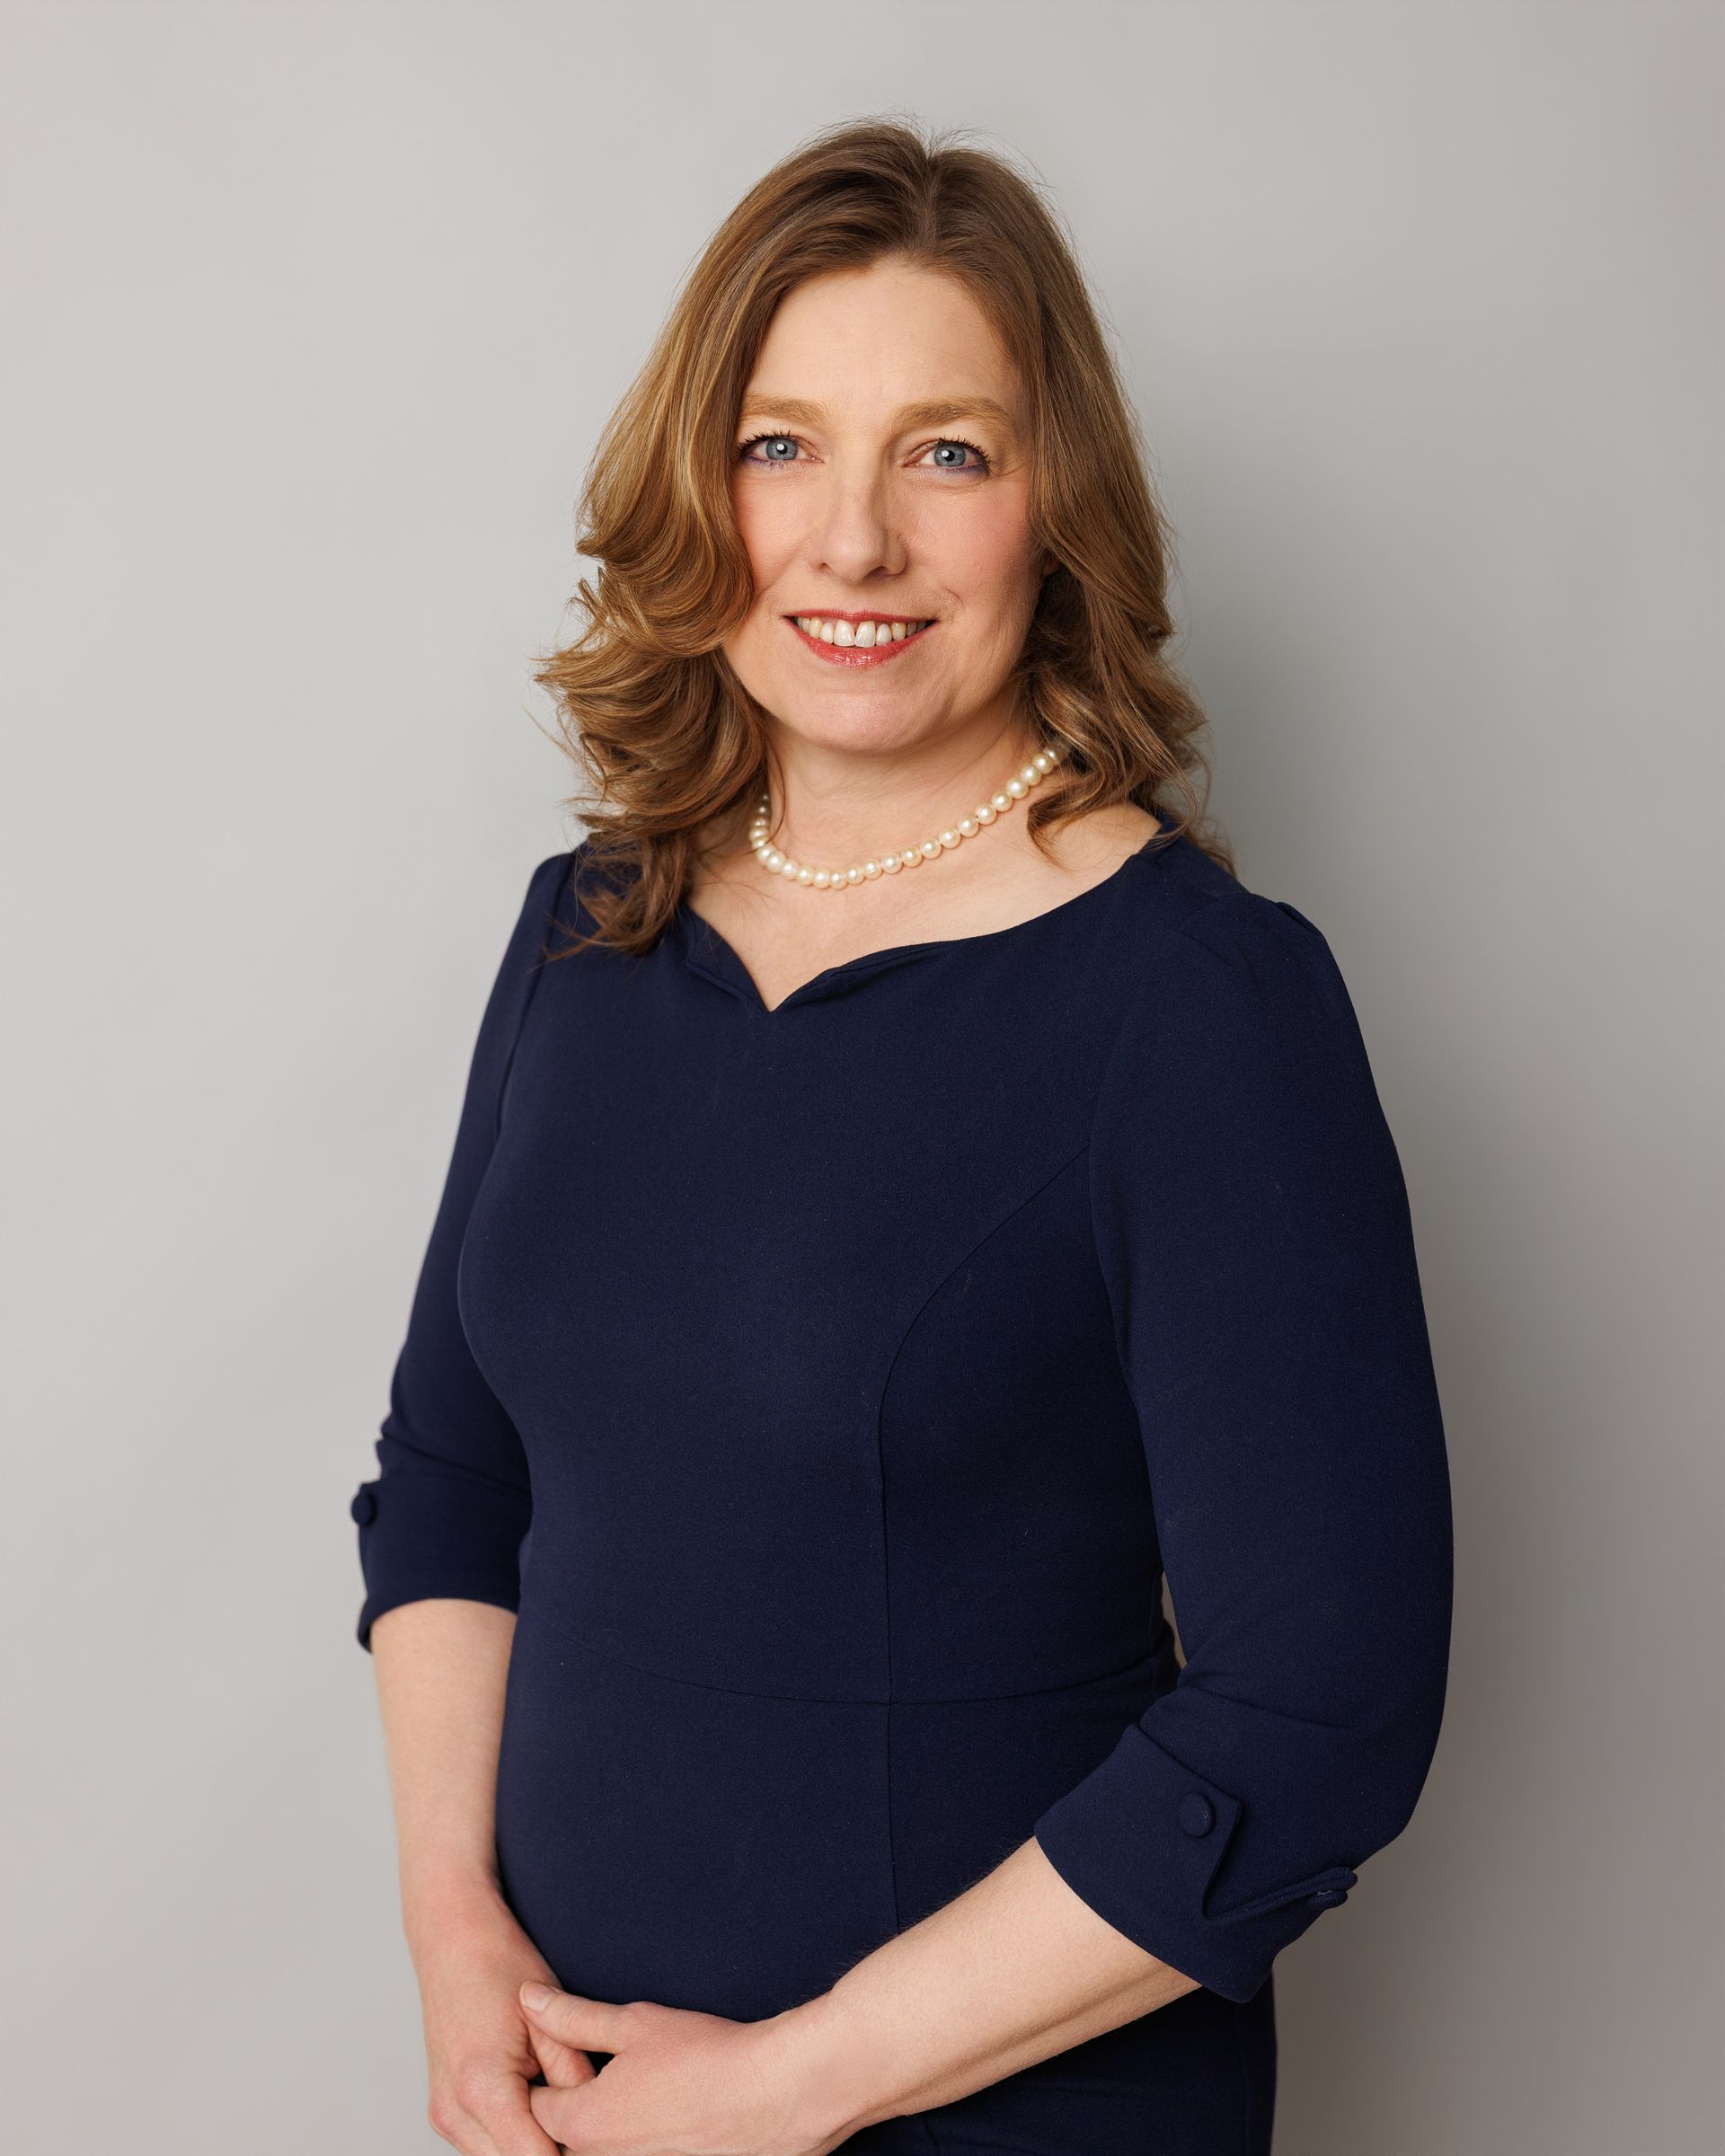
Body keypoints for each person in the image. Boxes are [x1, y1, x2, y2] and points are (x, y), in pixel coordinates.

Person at [348, 119, 1454, 2156]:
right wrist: (454, 1938)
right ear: (704, 494)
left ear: (1059, 512)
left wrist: (786, 2093)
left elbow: (1319, 1723)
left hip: (988, 2116)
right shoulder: (589, 934)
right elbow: (450, 1481)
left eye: (947, 452)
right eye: (782, 447)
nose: (851, 542)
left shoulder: (1198, 1009)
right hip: (578, 2108)